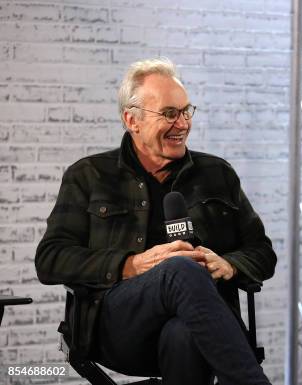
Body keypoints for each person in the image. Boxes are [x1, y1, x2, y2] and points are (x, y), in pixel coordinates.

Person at [35, 58, 276, 385]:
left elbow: (262, 252)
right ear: (131, 120)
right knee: (180, 268)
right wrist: (130, 264)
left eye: (186, 111)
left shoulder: (217, 173)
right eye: (169, 113)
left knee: (185, 335)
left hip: (201, 328)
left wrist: (230, 265)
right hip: (119, 328)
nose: (182, 124)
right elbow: (50, 259)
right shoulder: (89, 175)